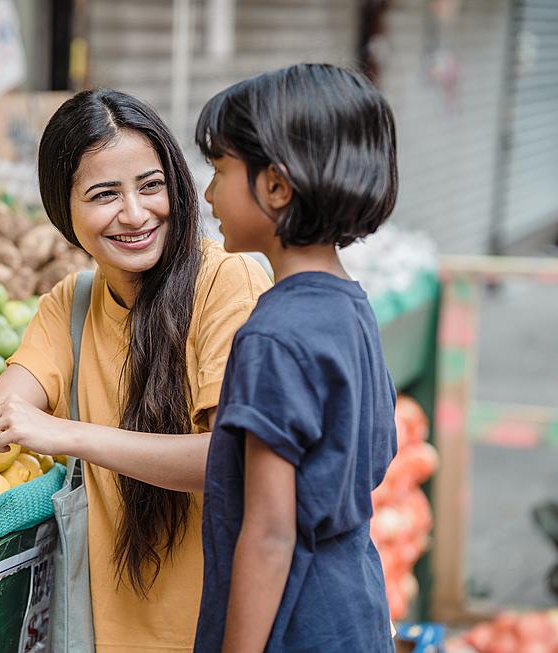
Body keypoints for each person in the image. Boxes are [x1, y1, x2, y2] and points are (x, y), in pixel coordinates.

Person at [0, 88, 271, 651]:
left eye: (151, 186)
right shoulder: (72, 303)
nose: (135, 214)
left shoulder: (229, 284)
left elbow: (229, 459)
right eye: (105, 194)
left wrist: (68, 435)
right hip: (111, 632)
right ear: (64, 211)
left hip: (219, 630)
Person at [192, 63, 400, 653]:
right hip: (355, 605)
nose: (208, 195)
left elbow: (269, 534)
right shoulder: (351, 308)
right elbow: (376, 453)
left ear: (277, 186)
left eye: (219, 170)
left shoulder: (272, 335)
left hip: (293, 624)